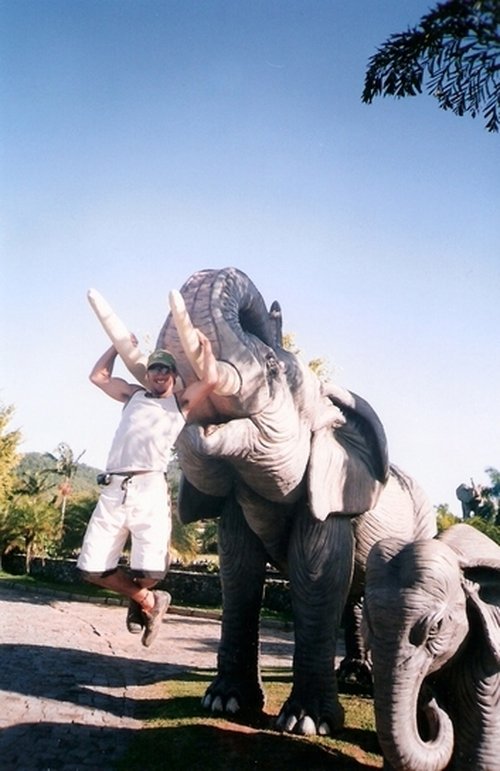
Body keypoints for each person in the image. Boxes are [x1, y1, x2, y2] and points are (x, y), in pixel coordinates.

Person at [77, 330, 218, 647]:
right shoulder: (133, 395)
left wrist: (206, 348)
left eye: (165, 369)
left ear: (173, 375)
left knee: (152, 569)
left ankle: (143, 595)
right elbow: (98, 376)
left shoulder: (180, 405)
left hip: (150, 488)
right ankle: (149, 601)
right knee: (91, 569)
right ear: (148, 373)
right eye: (154, 368)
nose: (159, 374)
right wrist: (116, 346)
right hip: (113, 487)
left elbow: (209, 380)